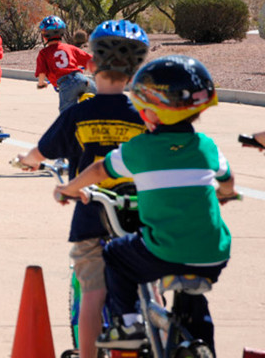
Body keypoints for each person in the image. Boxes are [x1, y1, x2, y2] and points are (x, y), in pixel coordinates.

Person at [56, 55, 236, 354]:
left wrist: (69, 188)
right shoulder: (207, 146)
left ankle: (129, 322)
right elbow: (227, 180)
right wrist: (224, 194)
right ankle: (202, 348)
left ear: (149, 111)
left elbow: (100, 170)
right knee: (193, 297)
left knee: (114, 255)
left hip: (164, 247)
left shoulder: (140, 148)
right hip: (214, 253)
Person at [17, 20, 150, 358]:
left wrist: (27, 160)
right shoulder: (145, 116)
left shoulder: (78, 114)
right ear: (136, 72)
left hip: (93, 213)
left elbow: (41, 152)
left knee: (92, 290)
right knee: (148, 282)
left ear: (90, 65)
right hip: (140, 212)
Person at [35, 15, 96, 113]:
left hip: (66, 84)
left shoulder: (44, 53)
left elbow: (42, 72)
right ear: (62, 33)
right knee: (102, 99)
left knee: (66, 115)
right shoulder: (70, 48)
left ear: (44, 36)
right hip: (82, 79)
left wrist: (41, 83)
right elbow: (91, 61)